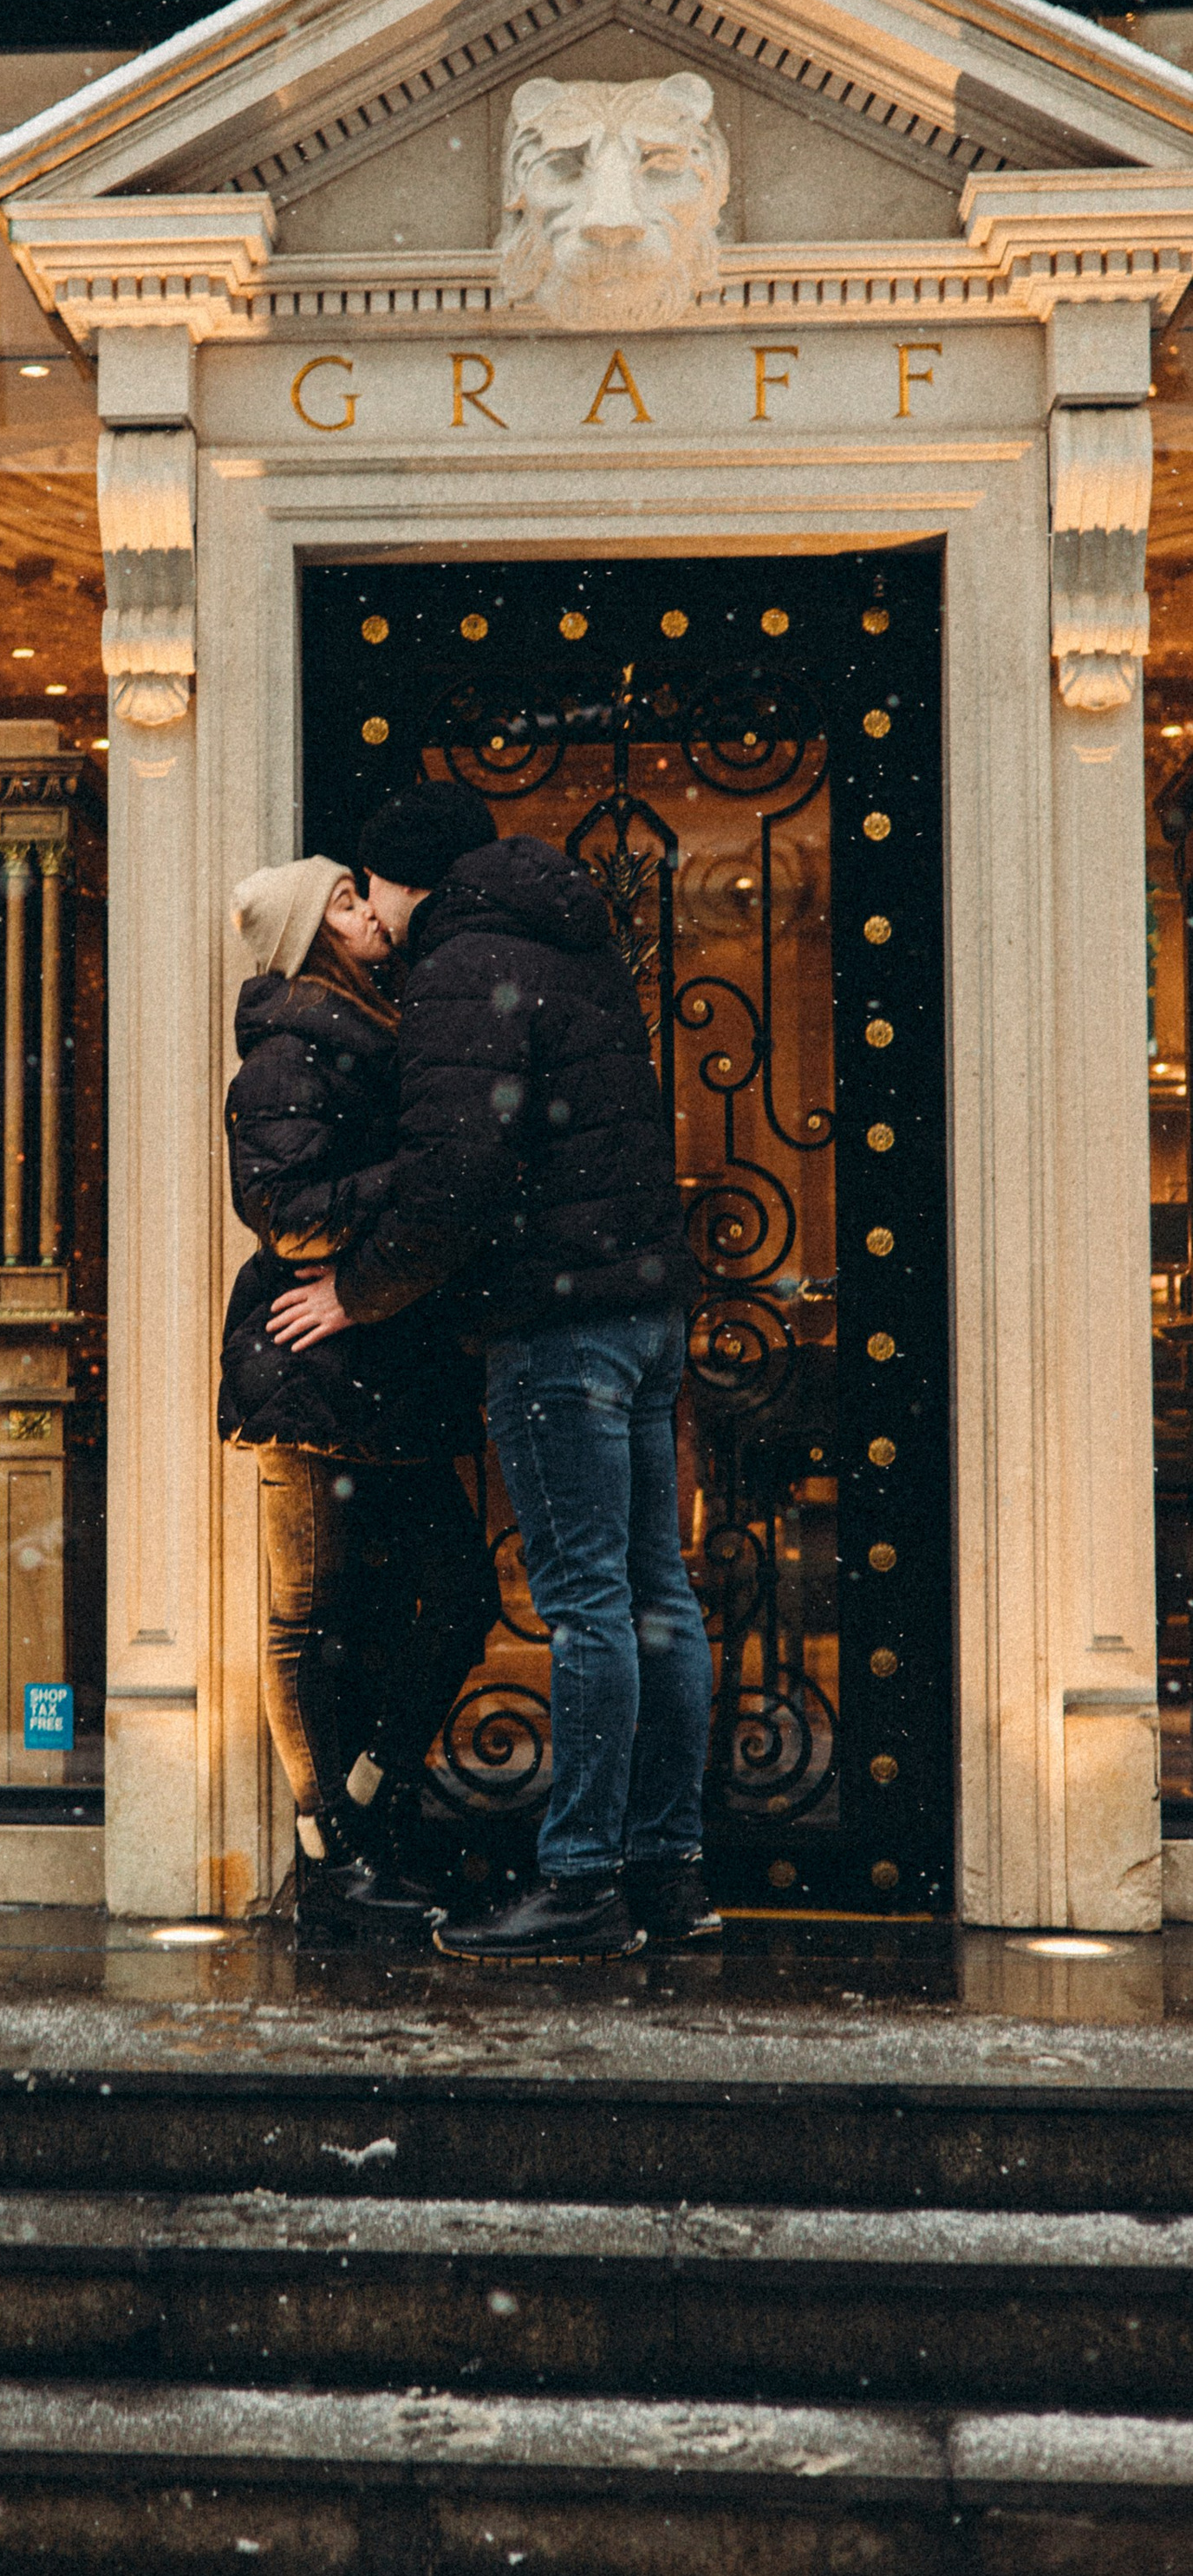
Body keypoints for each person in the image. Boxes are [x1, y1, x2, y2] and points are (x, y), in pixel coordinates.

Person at [268, 779, 719, 1965]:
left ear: (405, 884)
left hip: (556, 1318)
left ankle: (580, 1882)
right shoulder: (574, 941)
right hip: (646, 1302)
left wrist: (356, 1290)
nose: (372, 913)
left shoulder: (465, 966)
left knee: (585, 1609)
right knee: (654, 1592)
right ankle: (669, 1869)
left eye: (373, 891)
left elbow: (454, 1176)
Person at [219, 853, 502, 1943]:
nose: (368, 911)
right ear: (309, 934)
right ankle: (328, 1843)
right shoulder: (290, 1048)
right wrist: (414, 1177)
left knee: (453, 1593)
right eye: (342, 900)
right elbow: (286, 1216)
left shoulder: (366, 1028)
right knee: (306, 1615)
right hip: (308, 1370)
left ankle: (371, 1795)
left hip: (377, 1368)